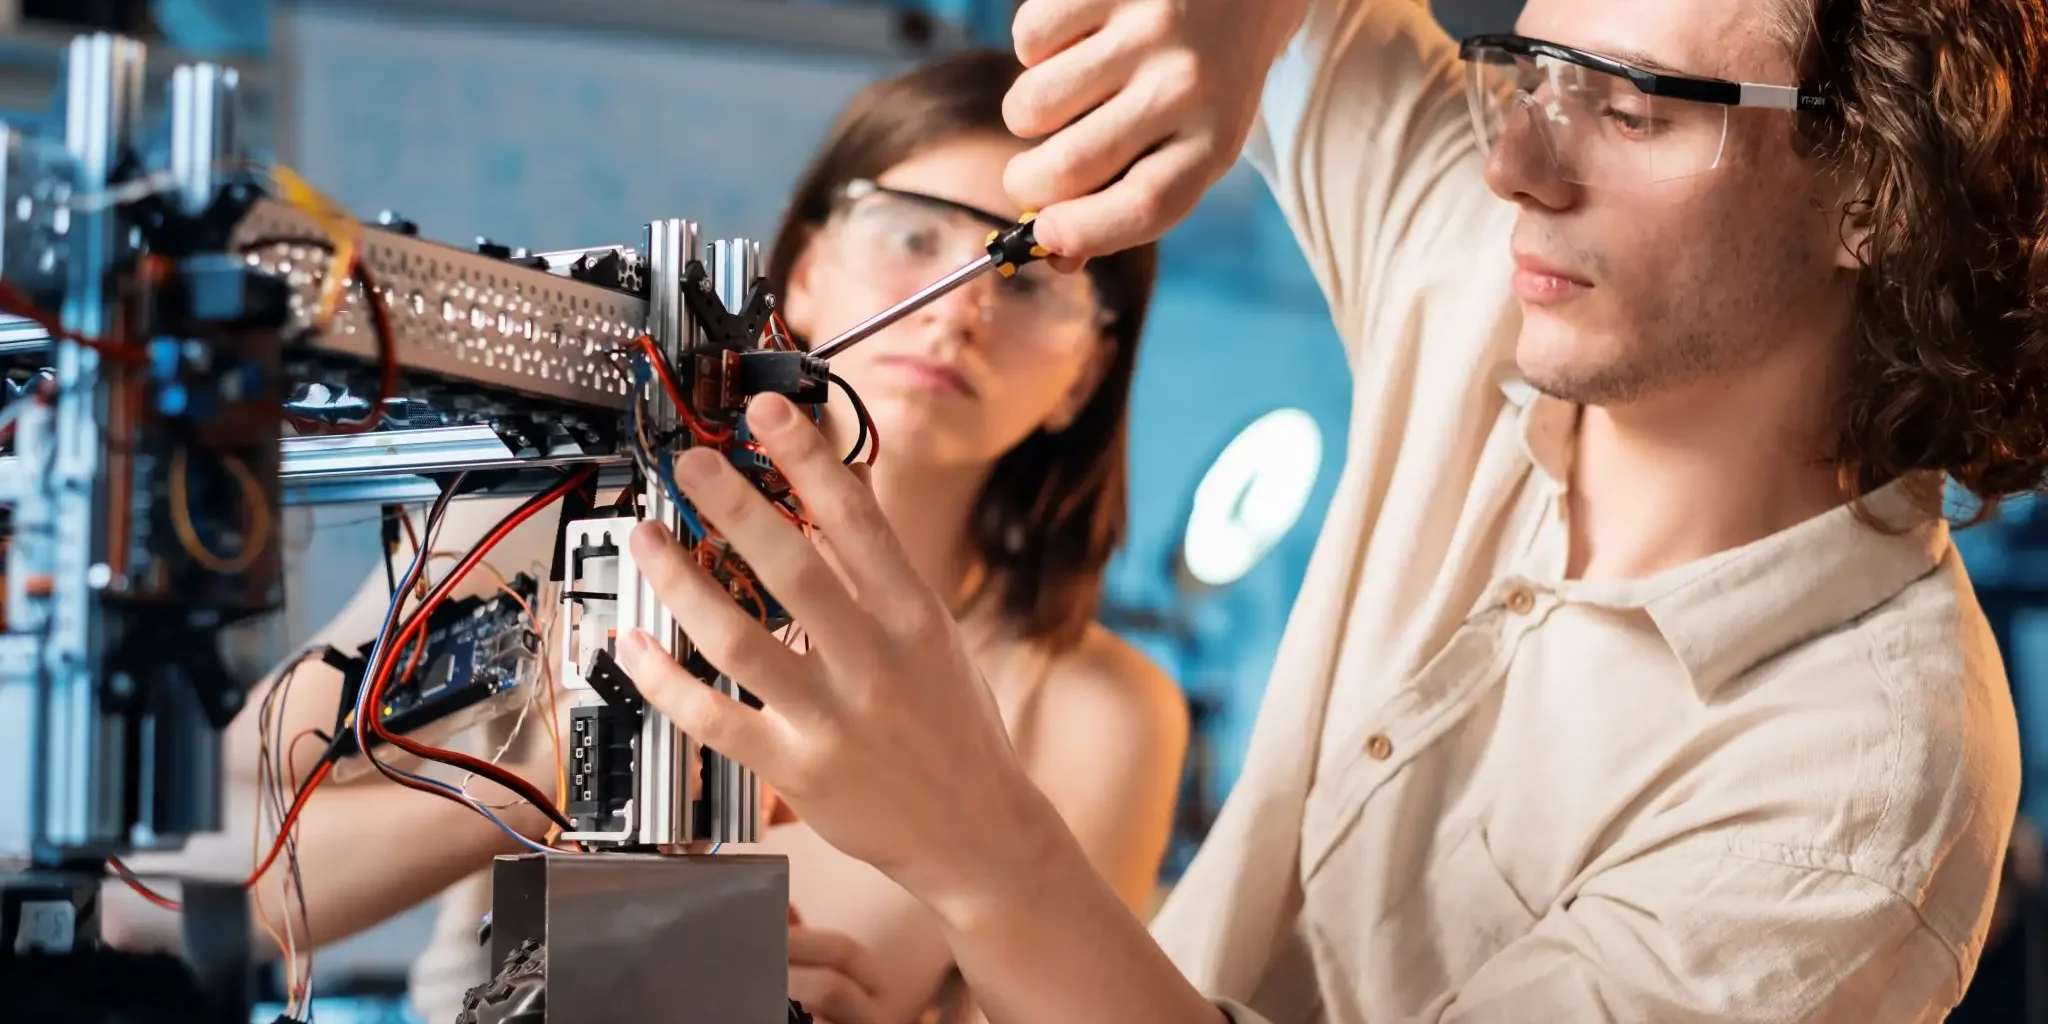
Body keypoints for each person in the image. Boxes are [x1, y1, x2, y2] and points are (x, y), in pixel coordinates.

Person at [610, 0, 2047, 1021]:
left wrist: (980, 852)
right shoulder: (1493, 270)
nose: (1519, 169)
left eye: (1631, 107)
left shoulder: (1852, 797)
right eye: (1530, 75)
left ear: (1871, 190)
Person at [104, 46, 1188, 1024]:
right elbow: (142, 895)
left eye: (1033, 277)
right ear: (803, 270)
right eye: (911, 235)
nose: (957, 310)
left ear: (1084, 377)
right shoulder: (547, 526)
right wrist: (543, 775)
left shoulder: (1094, 711)